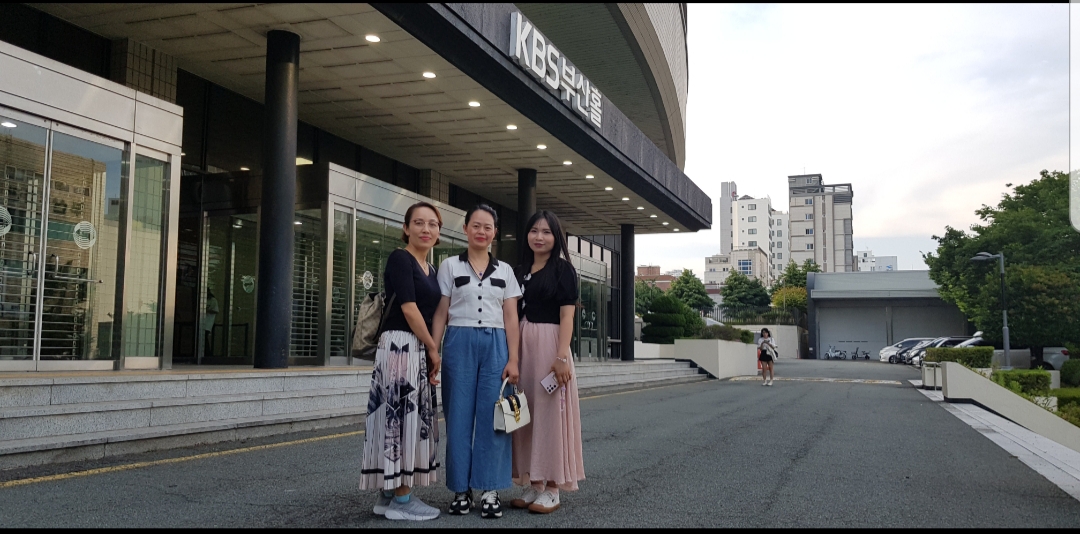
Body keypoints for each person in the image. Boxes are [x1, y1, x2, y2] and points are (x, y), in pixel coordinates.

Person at [431, 204, 522, 519]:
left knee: (493, 418)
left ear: (495, 232)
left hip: (496, 345)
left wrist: (514, 358)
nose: (482, 232)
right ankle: (461, 490)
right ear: (466, 229)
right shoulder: (449, 266)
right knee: (457, 417)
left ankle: (490, 489)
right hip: (459, 342)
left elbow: (511, 318)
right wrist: (434, 350)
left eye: (488, 227)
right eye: (476, 226)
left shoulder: (506, 271)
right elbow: (441, 311)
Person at [359, 202, 444, 521]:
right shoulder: (400, 258)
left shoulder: (431, 269)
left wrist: (430, 349)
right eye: (418, 223)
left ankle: (388, 495)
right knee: (400, 419)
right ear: (406, 228)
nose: (426, 229)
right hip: (399, 346)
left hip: (415, 347)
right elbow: (409, 308)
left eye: (432, 224)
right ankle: (402, 499)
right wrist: (433, 349)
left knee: (403, 418)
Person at [510, 210, 585, 514]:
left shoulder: (563, 270)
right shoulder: (518, 271)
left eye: (546, 232)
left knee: (551, 415)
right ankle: (535, 482)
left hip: (551, 346)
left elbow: (567, 316)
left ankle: (553, 487)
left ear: (556, 238)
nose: (539, 237)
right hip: (522, 345)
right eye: (534, 231)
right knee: (525, 413)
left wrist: (561, 356)